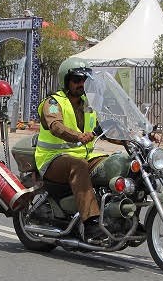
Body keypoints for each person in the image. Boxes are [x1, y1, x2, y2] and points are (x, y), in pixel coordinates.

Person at [35, 57, 109, 242]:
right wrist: (78, 136)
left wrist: (139, 136)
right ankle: (91, 223)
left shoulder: (88, 104)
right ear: (66, 80)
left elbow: (106, 128)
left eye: (85, 80)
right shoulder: (53, 102)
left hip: (85, 156)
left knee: (117, 164)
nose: (81, 84)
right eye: (76, 80)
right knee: (78, 166)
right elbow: (56, 126)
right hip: (52, 159)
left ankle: (119, 217)